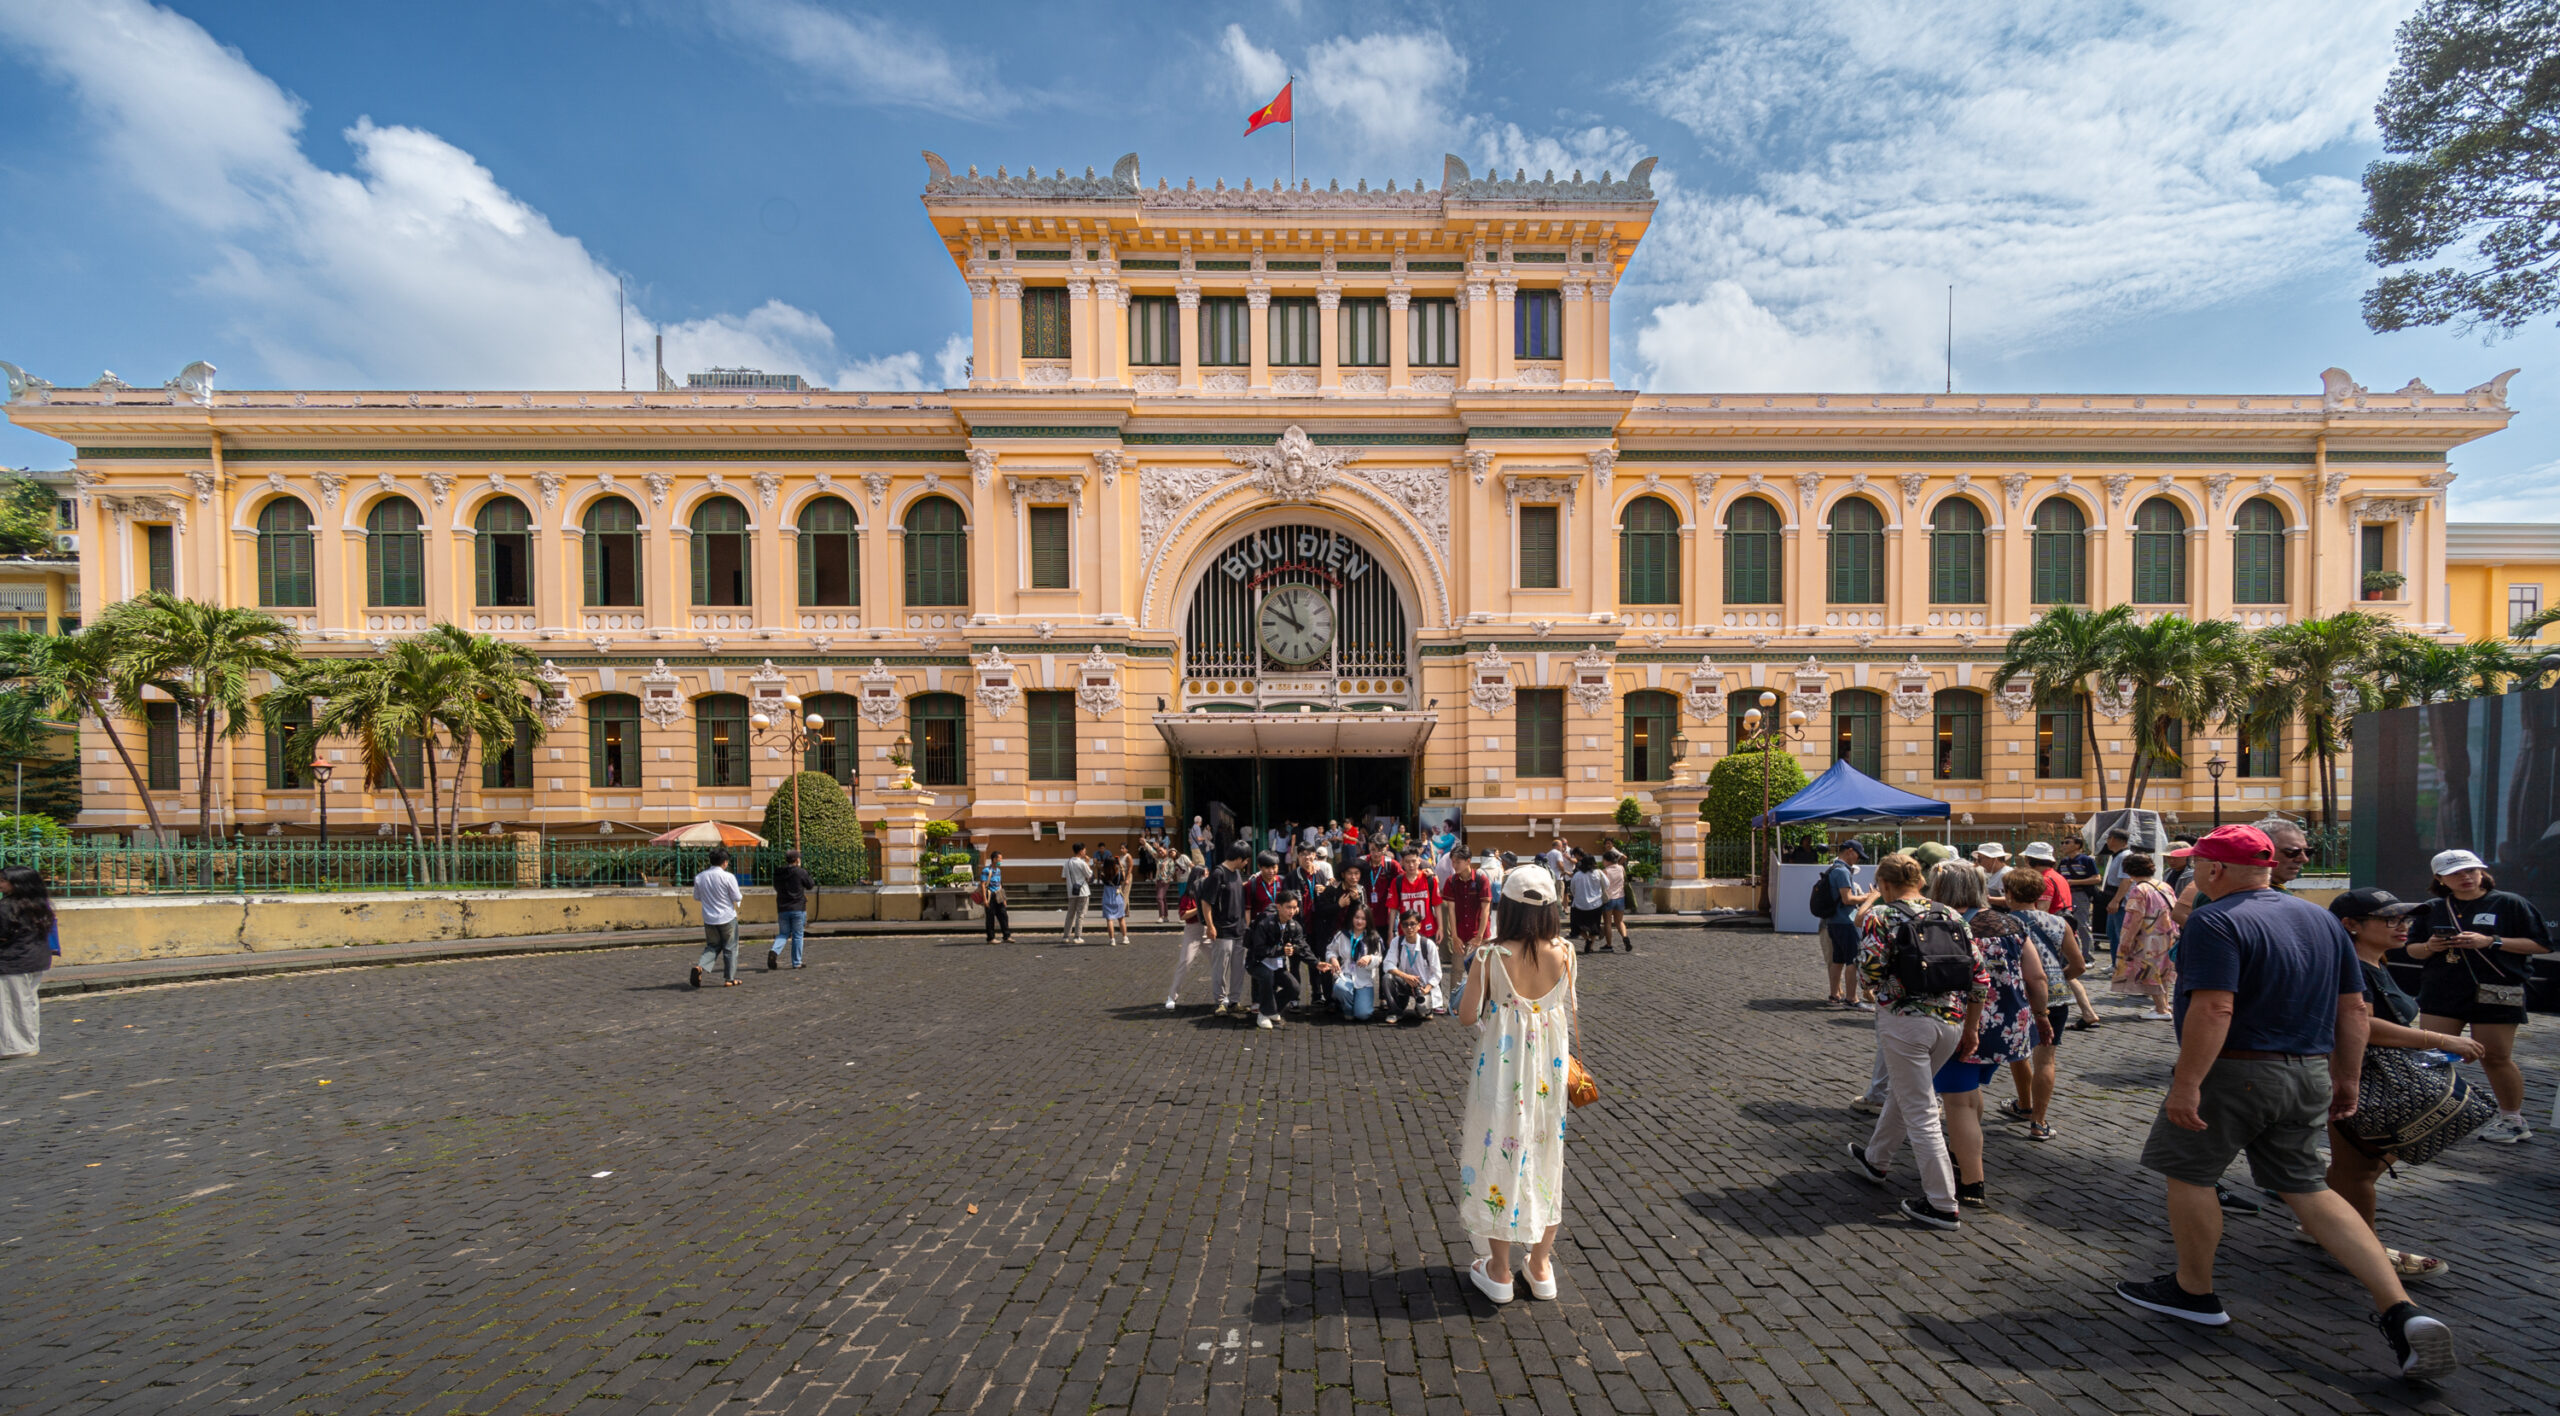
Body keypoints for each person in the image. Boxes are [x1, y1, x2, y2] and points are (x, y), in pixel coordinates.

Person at [2114, 825, 2458, 1383]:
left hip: (2238, 1070)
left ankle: (2193, 1289)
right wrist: (2345, 1078)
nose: (2193, 871)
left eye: (2198, 862)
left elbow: (2215, 1009)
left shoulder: (2215, 919)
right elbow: (2353, 1010)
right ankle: (2400, 1309)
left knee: (2191, 1173)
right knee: (2309, 1188)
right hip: (2308, 1072)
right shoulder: (2320, 918)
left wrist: (2186, 1082)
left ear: (2216, 869)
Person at [2309, 889, 2490, 1282]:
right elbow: (2363, 1024)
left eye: (2404, 918)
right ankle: (2364, 1250)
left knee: (2362, 1165)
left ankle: (2325, 1227)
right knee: (2358, 1169)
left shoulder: (2371, 961)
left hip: (2369, 1077)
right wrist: (2441, 1040)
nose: (2403, 926)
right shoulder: (2352, 967)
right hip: (2357, 1077)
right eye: (2390, 919)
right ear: (2350, 926)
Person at [1843, 852, 1988, 1230]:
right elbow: (1980, 977)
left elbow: (1870, 967)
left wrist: (1873, 990)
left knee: (1921, 1110)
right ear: (1919, 881)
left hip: (1906, 1020)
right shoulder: (1952, 915)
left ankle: (1941, 1203)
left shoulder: (1882, 915)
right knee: (1906, 1095)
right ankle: (1876, 1159)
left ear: (1885, 885)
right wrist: (1971, 1028)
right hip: (1951, 1020)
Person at [1455, 863, 1575, 1305]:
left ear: (1505, 907)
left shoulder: (1490, 957)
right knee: (1546, 1155)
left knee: (1498, 1155)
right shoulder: (1565, 953)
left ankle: (1500, 1270)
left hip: (1503, 1075)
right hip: (1548, 1074)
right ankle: (1541, 1266)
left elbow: (1467, 1016)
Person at [1930, 860, 2049, 1210]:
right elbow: (2036, 977)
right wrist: (2041, 1016)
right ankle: (1961, 1151)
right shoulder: (2012, 923)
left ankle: (1972, 1181)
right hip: (2009, 1026)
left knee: (1960, 1102)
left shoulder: (1945, 924)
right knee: (1970, 1095)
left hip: (1967, 1025)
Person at [2410, 848, 2551, 1143]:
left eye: (2471, 870)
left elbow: (2540, 945)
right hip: (2442, 989)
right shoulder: (2432, 907)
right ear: (2440, 878)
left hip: (2496, 991)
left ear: (2482, 872)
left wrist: (2491, 941)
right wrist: (2431, 946)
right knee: (2434, 1055)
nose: (2466, 877)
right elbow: (2412, 949)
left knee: (2496, 1057)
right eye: (2456, 873)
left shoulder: (2510, 903)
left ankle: (2512, 1119)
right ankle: (2433, 1114)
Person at [1988, 868, 2072, 1142]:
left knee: (2018, 1050)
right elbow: (2080, 963)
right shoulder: (2059, 923)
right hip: (2054, 997)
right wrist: (2057, 979)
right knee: (2046, 1057)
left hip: (2017, 995)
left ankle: (2025, 1104)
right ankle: (2039, 1121)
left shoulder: (2002, 924)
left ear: (2009, 894)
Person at [2112, 853, 2177, 1019]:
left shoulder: (2139, 889)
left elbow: (2136, 917)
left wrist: (2127, 940)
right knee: (2163, 969)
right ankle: (2166, 1005)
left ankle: (2161, 1009)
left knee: (2150, 971)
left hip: (2147, 936)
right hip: (2167, 933)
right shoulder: (2163, 885)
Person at [0, 865, 56, 1058]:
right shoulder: (39, 904)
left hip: (12, 960)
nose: (1, 884)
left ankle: (15, 1047)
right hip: (35, 958)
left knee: (9, 1005)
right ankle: (29, 1042)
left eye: (3, 881)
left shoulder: (7, 906)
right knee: (27, 1003)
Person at [1196, 843, 1253, 1017]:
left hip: (1239, 929)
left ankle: (1234, 1001)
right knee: (1220, 968)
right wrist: (1210, 926)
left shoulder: (1236, 873)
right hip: (1222, 929)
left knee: (1238, 968)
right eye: (1245, 860)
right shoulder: (1218, 874)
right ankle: (1220, 1002)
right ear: (1238, 858)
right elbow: (1206, 902)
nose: (1246, 864)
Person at [1821, 840, 1876, 1010]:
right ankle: (1852, 999)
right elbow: (1848, 899)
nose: (1858, 859)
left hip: (1834, 921)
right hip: (1846, 921)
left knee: (1837, 960)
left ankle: (1834, 995)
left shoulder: (1833, 869)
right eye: (1858, 855)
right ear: (1850, 851)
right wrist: (1869, 897)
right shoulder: (1842, 871)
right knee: (1852, 960)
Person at [1245, 892, 1308, 1029]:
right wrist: (1281, 951)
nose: (1292, 911)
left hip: (1277, 965)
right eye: (1288, 907)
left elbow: (1303, 947)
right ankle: (1264, 1013)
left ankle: (1271, 1010)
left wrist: (1316, 963)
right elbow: (1259, 950)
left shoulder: (1294, 926)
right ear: (1279, 907)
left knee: (1294, 988)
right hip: (1256, 962)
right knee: (1267, 976)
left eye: (1294, 908)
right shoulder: (1265, 923)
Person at [689, 848, 744, 988]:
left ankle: (700, 966)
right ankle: (729, 978)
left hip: (709, 918)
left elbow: (696, 897)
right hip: (727, 917)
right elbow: (737, 896)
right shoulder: (728, 877)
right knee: (730, 947)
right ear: (725, 862)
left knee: (713, 946)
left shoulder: (700, 877)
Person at [1382, 910, 1441, 1024]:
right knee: (1387, 978)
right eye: (1405, 924)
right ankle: (1395, 1011)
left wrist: (1426, 989)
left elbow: (1437, 973)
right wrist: (1405, 976)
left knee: (1423, 1013)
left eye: (1412, 924)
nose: (1409, 928)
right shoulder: (1396, 942)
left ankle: (1424, 1008)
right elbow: (1387, 964)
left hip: (1423, 986)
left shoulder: (1428, 945)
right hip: (1404, 982)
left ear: (1419, 925)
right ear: (1401, 927)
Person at [1326, 904, 1381, 1021]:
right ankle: (1347, 1008)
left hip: (1364, 980)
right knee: (1340, 988)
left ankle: (1358, 1004)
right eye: (1357, 917)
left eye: (1363, 919)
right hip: (1346, 975)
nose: (1359, 921)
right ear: (1352, 918)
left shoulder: (1373, 938)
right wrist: (1333, 959)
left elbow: (1379, 959)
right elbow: (1330, 950)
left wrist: (1370, 958)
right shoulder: (1342, 935)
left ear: (1368, 921)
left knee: (1363, 1015)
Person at [766, 848, 816, 969]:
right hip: (798, 907)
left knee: (783, 933)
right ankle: (796, 962)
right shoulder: (800, 872)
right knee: (798, 935)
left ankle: (774, 950)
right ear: (797, 860)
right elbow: (810, 885)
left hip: (782, 907)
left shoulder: (778, 872)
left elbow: (776, 887)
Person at [1568, 852, 1610, 954]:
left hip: (1580, 905)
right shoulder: (1598, 873)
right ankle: (1590, 946)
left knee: (1577, 925)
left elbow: (1572, 889)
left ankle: (1586, 939)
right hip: (1596, 905)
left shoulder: (1577, 875)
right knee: (1594, 927)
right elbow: (1607, 885)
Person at [1096, 845, 1130, 947]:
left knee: (1109, 920)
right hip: (1117, 897)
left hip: (1107, 897)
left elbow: (1100, 872)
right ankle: (1125, 937)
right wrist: (1120, 864)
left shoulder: (1103, 874)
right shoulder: (1118, 873)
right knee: (1121, 919)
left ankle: (1112, 940)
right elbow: (1123, 878)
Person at [1061, 843, 1093, 945]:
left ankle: (1066, 936)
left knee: (1070, 914)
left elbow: (1063, 876)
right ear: (1080, 851)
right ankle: (1077, 936)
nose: (1085, 852)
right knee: (1080, 914)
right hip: (1082, 891)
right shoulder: (1082, 863)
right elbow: (1090, 875)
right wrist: (1088, 862)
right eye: (1084, 850)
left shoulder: (1067, 862)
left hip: (1071, 891)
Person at [1600, 849, 1631, 952]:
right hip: (1620, 897)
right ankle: (1625, 937)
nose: (1602, 862)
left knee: (1608, 923)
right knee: (1619, 921)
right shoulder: (1621, 868)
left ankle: (1609, 945)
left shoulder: (1605, 871)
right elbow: (1624, 879)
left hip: (1609, 898)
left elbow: (1602, 885)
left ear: (1607, 861)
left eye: (1603, 860)